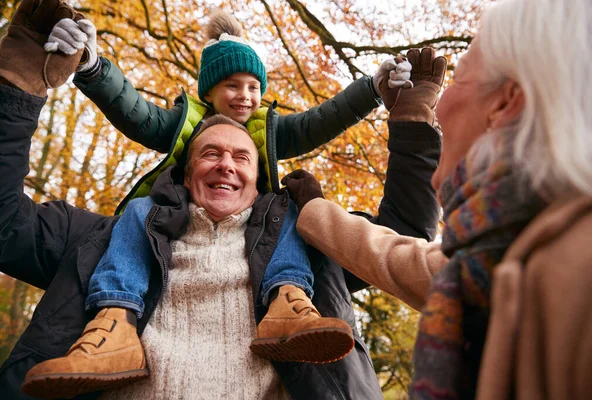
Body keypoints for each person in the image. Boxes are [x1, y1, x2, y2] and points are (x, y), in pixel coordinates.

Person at [0, 1, 442, 399]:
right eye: (211, 153)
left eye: (243, 156)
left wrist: (409, 119)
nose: (227, 164)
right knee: (137, 212)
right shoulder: (107, 242)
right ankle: (113, 324)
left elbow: (402, 236)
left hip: (289, 273)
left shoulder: (310, 247)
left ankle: (287, 302)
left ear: (259, 173)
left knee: (290, 216)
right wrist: (22, 82)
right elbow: (8, 223)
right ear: (185, 171)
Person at [283, 0, 592, 398]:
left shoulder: (581, 270)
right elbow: (397, 255)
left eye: (459, 80)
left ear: (504, 104)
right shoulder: (488, 259)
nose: (440, 103)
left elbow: (399, 237)